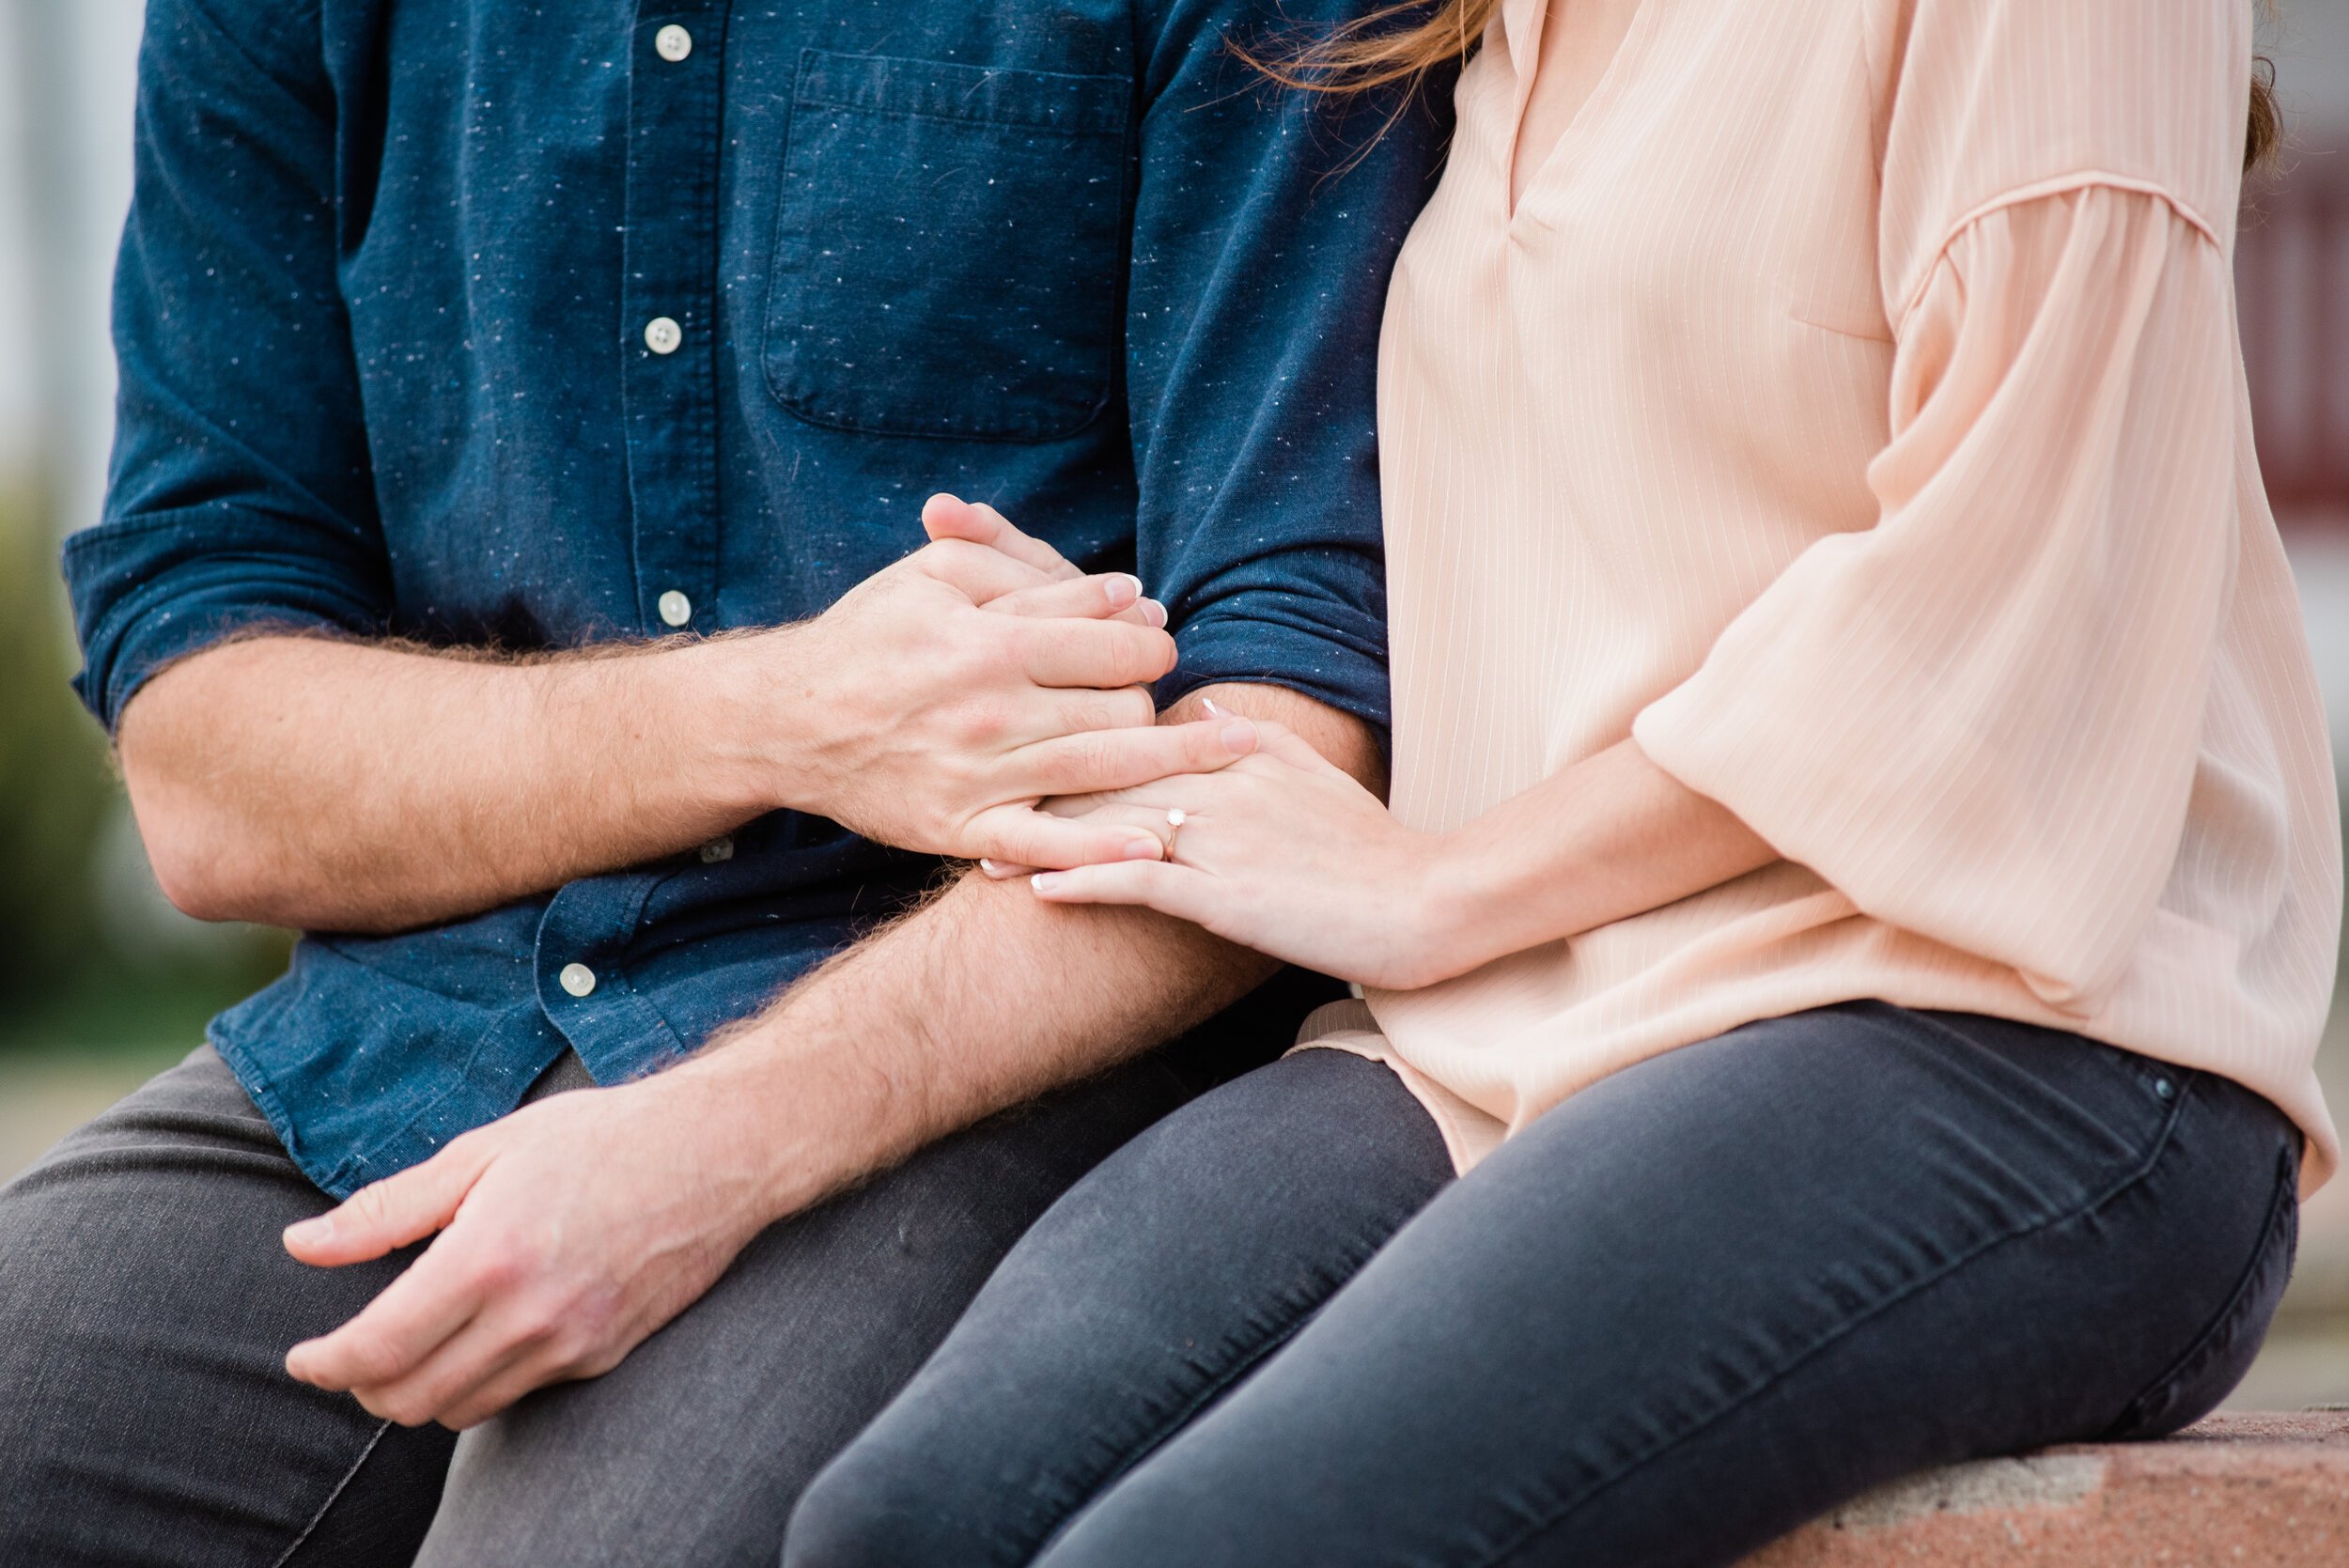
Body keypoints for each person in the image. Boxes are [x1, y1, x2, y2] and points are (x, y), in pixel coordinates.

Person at [784, 2, 2341, 1564]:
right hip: (1513, 1028)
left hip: (2007, 1032)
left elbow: (2010, 610)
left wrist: (1435, 888)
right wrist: (1094, 677)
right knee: (900, 1525)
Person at [0, 2, 1449, 1563]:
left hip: (987, 1027)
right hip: (413, 1039)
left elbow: (1293, 726)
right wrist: (784, 715)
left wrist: (709, 1146)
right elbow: (211, 779)